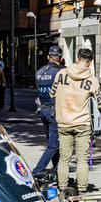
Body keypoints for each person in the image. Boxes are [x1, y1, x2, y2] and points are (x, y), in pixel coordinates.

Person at [50, 48, 99, 193]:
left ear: (77, 59)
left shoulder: (61, 74)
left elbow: (53, 94)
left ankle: (63, 189)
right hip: (82, 122)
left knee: (64, 158)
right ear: (90, 63)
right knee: (82, 159)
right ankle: (82, 189)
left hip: (63, 122)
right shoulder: (92, 80)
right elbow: (99, 101)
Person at [32, 46, 65, 177]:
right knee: (54, 145)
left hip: (43, 110)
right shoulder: (61, 72)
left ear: (48, 57)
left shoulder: (39, 72)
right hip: (55, 111)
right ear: (61, 59)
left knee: (52, 143)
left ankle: (58, 171)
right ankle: (37, 171)